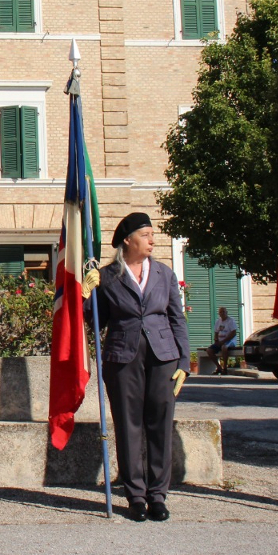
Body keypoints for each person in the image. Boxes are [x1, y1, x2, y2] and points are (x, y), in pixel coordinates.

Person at [89, 212, 189, 522]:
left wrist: (183, 361)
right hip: (122, 358)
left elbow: (176, 318)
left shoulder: (164, 274)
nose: (152, 240)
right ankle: (135, 496)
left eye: (152, 234)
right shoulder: (108, 276)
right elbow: (93, 321)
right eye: (146, 235)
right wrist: (85, 293)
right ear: (128, 240)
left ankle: (157, 495)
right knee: (128, 427)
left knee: (159, 424)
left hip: (163, 358)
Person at [206, 307, 238, 375]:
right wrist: (216, 340)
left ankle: (225, 368)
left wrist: (224, 341)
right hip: (220, 341)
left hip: (230, 341)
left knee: (224, 347)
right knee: (209, 350)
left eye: (224, 312)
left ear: (226, 312)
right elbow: (216, 332)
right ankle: (219, 367)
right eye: (221, 312)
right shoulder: (218, 321)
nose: (222, 313)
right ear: (219, 314)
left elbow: (233, 333)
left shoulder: (231, 321)